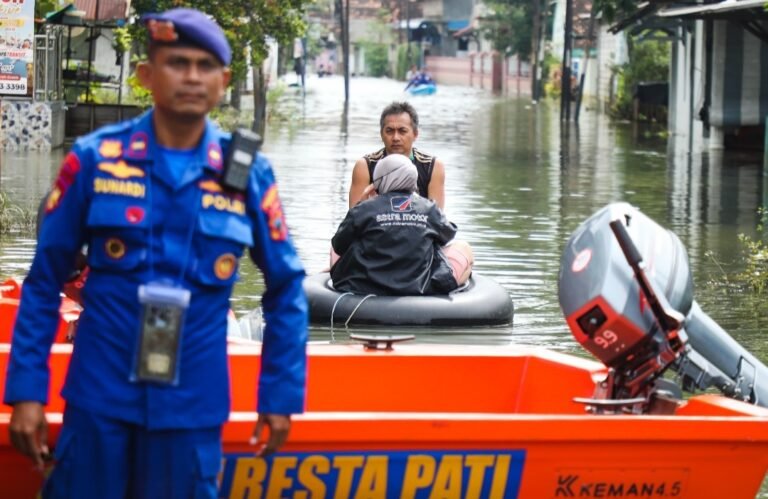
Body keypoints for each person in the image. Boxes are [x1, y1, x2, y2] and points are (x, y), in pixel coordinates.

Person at [4, 8, 308, 498]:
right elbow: (44, 282)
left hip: (191, 407)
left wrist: (280, 396)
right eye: (177, 62)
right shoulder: (95, 159)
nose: (191, 76)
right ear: (146, 75)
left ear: (224, 80)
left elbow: (287, 287)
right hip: (99, 398)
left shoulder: (248, 174)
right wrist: (25, 393)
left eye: (205, 66)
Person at [332, 154, 473, 296]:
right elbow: (446, 236)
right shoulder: (429, 208)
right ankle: (456, 293)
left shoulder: (364, 209)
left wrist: (360, 205)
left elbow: (338, 245)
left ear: (378, 179)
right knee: (464, 248)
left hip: (362, 286)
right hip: (421, 288)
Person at [348, 101, 445, 210]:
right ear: (381, 134)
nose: (395, 138)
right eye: (389, 131)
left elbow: (437, 220)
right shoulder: (365, 166)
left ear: (415, 134)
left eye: (402, 131)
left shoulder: (432, 167)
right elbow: (354, 220)